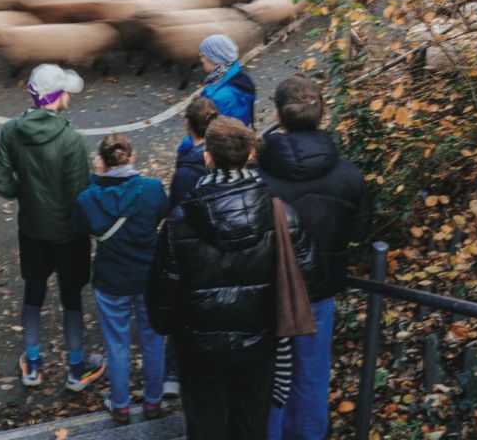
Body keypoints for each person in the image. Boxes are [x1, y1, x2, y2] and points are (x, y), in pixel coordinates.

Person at [148, 117, 313, 440]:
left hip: (199, 347)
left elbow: (162, 294)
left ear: (207, 156)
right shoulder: (281, 213)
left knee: (204, 425)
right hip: (259, 344)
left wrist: (171, 327)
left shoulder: (180, 223)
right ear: (250, 153)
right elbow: (309, 277)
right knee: (251, 426)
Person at [257, 75, 371, 440]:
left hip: (268, 293)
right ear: (322, 113)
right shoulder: (349, 176)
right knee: (312, 374)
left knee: (269, 376)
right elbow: (359, 231)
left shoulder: (257, 176)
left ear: (278, 114)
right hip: (320, 290)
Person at [0, 64, 106, 392]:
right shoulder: (70, 139)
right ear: (58, 97)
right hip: (69, 235)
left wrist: (26, 193)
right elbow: (79, 195)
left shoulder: (11, 130)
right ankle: (75, 369)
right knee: (72, 298)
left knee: (33, 292)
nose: (70, 94)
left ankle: (33, 364)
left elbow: (1, 183)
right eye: (67, 91)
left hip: (32, 230)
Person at [72, 134, 170, 424]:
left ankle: (121, 405)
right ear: (132, 156)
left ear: (102, 161)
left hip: (111, 278)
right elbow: (162, 214)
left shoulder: (88, 198)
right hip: (148, 275)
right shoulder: (151, 189)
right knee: (153, 340)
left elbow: (80, 226)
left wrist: (95, 179)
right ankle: (153, 401)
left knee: (117, 344)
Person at [162, 96, 219, 397]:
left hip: (193, 252)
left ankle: (173, 372)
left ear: (187, 124)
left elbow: (176, 213)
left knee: (183, 309)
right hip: (218, 250)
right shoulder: (221, 159)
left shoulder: (186, 171)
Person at [177, 35, 255, 155]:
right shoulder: (237, 76)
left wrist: (183, 149)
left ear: (213, 61)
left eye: (202, 55)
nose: (201, 59)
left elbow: (204, 133)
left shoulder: (218, 97)